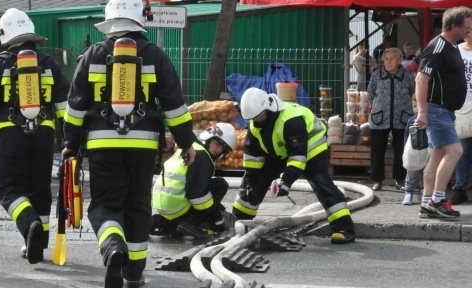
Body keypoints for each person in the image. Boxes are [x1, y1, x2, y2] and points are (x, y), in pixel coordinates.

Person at [63, 0, 197, 288]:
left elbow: (75, 107)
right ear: (140, 18)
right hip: (143, 146)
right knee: (138, 207)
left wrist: (71, 142)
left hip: (101, 146)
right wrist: (186, 142)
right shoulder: (155, 55)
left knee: (105, 205)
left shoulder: (93, 55)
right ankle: (134, 273)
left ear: (109, 19)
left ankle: (112, 247)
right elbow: (174, 106)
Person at [0, 8, 69, 265]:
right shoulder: (48, 63)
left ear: (5, 35)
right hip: (44, 137)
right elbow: (64, 106)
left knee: (9, 189)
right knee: (40, 190)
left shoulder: (0, 63)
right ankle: (37, 245)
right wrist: (70, 139)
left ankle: (29, 225)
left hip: (12, 136)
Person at [234, 87, 356, 244]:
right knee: (254, 181)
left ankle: (343, 228)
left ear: (268, 107)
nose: (258, 120)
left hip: (311, 148)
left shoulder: (291, 119)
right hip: (280, 151)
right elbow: (252, 158)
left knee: (321, 182)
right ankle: (239, 221)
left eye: (260, 116)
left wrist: (286, 181)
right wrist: (251, 182)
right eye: (254, 118)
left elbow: (297, 156)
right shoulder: (254, 124)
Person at [413, 6, 472, 219]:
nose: (469, 29)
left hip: (444, 110)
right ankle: (438, 200)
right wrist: (422, 111)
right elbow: (421, 78)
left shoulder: (450, 46)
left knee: (437, 156)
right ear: (454, 26)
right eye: (466, 26)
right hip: (437, 109)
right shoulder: (438, 46)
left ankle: (426, 202)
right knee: (455, 151)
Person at [151, 123, 234, 238]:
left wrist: (217, 207)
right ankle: (192, 224)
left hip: (163, 205)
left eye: (223, 148)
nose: (219, 149)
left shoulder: (191, 147)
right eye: (218, 143)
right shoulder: (202, 157)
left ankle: (166, 223)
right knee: (220, 184)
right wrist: (217, 219)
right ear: (209, 138)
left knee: (204, 193)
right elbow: (196, 194)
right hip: (178, 205)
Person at [367, 47, 414, 191]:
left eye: (392, 59)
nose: (388, 62)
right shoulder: (376, 75)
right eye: (386, 59)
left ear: (399, 60)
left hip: (402, 117)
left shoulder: (408, 76)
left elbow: (412, 92)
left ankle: (400, 179)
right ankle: (377, 180)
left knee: (401, 149)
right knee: (377, 149)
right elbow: (371, 94)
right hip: (380, 117)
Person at [451, 29, 472, 205]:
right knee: (461, 150)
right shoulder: (455, 50)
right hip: (461, 105)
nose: (468, 32)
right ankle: (460, 188)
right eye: (467, 28)